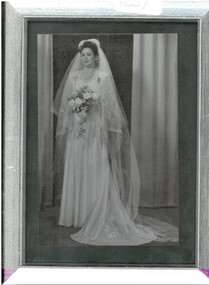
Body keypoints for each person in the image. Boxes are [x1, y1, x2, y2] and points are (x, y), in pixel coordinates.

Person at [53, 38, 178, 245]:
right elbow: (66, 104)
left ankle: (90, 215)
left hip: (95, 130)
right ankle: (73, 216)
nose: (85, 58)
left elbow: (110, 108)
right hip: (78, 130)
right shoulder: (74, 77)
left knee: (95, 168)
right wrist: (75, 114)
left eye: (89, 55)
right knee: (77, 166)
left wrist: (103, 124)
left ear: (96, 58)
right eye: (83, 55)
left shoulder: (103, 78)